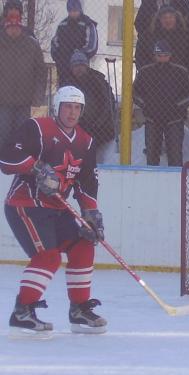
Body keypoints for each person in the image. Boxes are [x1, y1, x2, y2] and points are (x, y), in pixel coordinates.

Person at [0, 86, 107, 337]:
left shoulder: (86, 141)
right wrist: (36, 168)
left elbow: (87, 182)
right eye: (68, 106)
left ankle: (79, 309)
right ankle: (22, 312)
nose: (72, 112)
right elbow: (6, 158)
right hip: (26, 205)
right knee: (49, 257)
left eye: (77, 107)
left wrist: (91, 214)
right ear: (57, 107)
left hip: (58, 208)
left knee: (83, 243)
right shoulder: (37, 128)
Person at [133, 39, 189, 166]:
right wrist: (146, 105)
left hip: (174, 120)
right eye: (159, 56)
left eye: (165, 55)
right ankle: (152, 181)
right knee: (151, 155)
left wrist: (176, 107)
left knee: (175, 155)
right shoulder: (145, 71)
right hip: (152, 119)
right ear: (154, 55)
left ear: (170, 55)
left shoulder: (181, 71)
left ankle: (176, 183)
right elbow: (135, 93)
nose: (162, 58)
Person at [0, 13, 47, 148]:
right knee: (3, 134)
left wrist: (38, 96)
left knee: (23, 135)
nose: (13, 30)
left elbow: (40, 71)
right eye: (10, 27)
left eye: (16, 26)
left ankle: (21, 162)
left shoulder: (32, 45)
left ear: (21, 27)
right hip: (3, 101)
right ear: (6, 27)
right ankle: (3, 164)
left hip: (25, 102)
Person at [66, 51, 115, 162]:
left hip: (99, 127)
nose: (79, 69)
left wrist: (96, 124)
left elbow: (108, 105)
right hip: (76, 125)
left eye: (81, 65)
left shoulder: (97, 81)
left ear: (87, 66)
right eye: (75, 66)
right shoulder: (68, 82)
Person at [134, 2, 189, 74]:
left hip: (179, 77)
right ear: (159, 19)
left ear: (176, 18)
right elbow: (140, 57)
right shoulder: (148, 36)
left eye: (171, 17)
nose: (168, 20)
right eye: (164, 17)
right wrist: (147, 74)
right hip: (153, 76)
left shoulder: (186, 37)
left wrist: (186, 74)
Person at [50, 0, 98, 85]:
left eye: (75, 10)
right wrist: (57, 55)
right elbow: (54, 42)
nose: (73, 13)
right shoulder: (62, 24)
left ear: (80, 10)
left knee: (81, 89)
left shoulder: (88, 24)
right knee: (64, 89)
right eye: (71, 10)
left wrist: (79, 54)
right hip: (63, 66)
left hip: (80, 66)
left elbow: (92, 46)